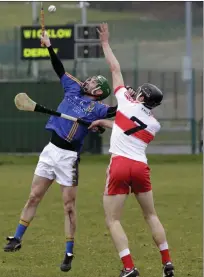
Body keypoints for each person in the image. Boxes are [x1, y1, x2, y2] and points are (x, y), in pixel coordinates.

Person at [3, 31, 117, 272]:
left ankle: (68, 252)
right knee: (34, 196)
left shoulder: (98, 108)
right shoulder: (73, 87)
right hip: (50, 151)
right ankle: (17, 238)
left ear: (99, 92)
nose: (89, 81)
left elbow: (117, 112)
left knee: (68, 206)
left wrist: (125, 105)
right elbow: (59, 68)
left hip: (68, 158)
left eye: (95, 82)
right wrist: (49, 47)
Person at [88, 23, 174, 277]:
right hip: (140, 166)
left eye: (140, 92)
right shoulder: (154, 124)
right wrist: (105, 122)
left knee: (112, 220)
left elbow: (115, 69)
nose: (134, 92)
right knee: (150, 215)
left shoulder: (125, 100)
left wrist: (104, 42)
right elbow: (128, 129)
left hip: (120, 165)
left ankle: (129, 268)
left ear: (142, 97)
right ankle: (167, 264)